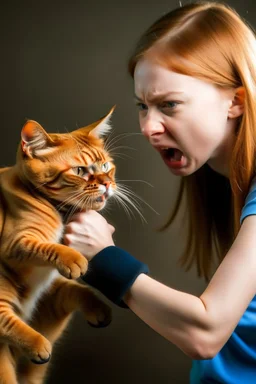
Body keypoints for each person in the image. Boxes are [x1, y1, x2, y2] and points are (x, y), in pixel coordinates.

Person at [63, 2, 256, 383]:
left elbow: (206, 333)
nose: (148, 126)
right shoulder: (227, 180)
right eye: (143, 106)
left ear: (234, 101)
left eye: (169, 104)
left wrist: (103, 257)